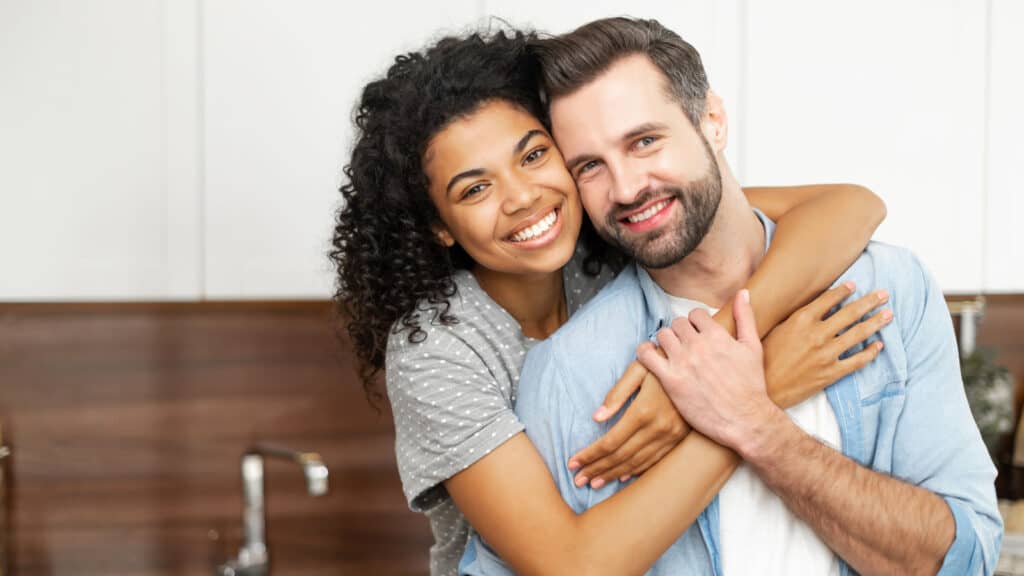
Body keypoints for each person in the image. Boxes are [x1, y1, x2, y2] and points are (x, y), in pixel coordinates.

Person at [331, 30, 888, 576]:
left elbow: (851, 205)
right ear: (440, 228)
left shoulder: (610, 235)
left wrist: (726, 341)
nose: (523, 197)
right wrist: (752, 399)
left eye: (533, 155)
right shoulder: (438, 348)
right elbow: (571, 565)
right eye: (475, 189)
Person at [470, 17, 1002, 576]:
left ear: (713, 122)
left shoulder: (887, 290)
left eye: (645, 141)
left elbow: (963, 561)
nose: (626, 188)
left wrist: (758, 426)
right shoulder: (570, 372)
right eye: (591, 167)